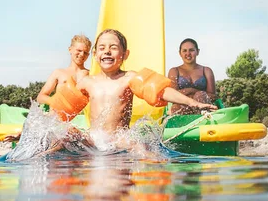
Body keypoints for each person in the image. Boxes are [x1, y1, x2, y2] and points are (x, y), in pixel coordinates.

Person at [73, 29, 217, 149]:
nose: (107, 51)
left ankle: (158, 179)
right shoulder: (87, 82)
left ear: (125, 54)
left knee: (143, 148)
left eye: (114, 47)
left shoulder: (129, 78)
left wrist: (193, 103)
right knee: (65, 139)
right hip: (94, 140)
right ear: (95, 55)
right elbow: (62, 108)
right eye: (102, 48)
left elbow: (162, 91)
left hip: (119, 141)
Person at [3, 34, 91, 142]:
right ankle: (21, 136)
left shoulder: (89, 75)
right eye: (79, 50)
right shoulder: (59, 73)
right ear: (70, 49)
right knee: (40, 126)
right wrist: (53, 101)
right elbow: (40, 97)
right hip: (51, 120)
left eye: (86, 52)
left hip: (64, 126)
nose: (82, 54)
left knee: (71, 132)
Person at [167, 38, 217, 115]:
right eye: (184, 51)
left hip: (203, 104)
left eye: (191, 50)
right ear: (180, 53)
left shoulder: (206, 71)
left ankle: (204, 120)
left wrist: (195, 94)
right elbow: (173, 96)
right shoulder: (174, 71)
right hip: (182, 106)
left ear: (198, 52)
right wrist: (193, 92)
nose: (188, 53)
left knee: (200, 95)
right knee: (175, 107)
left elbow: (212, 95)